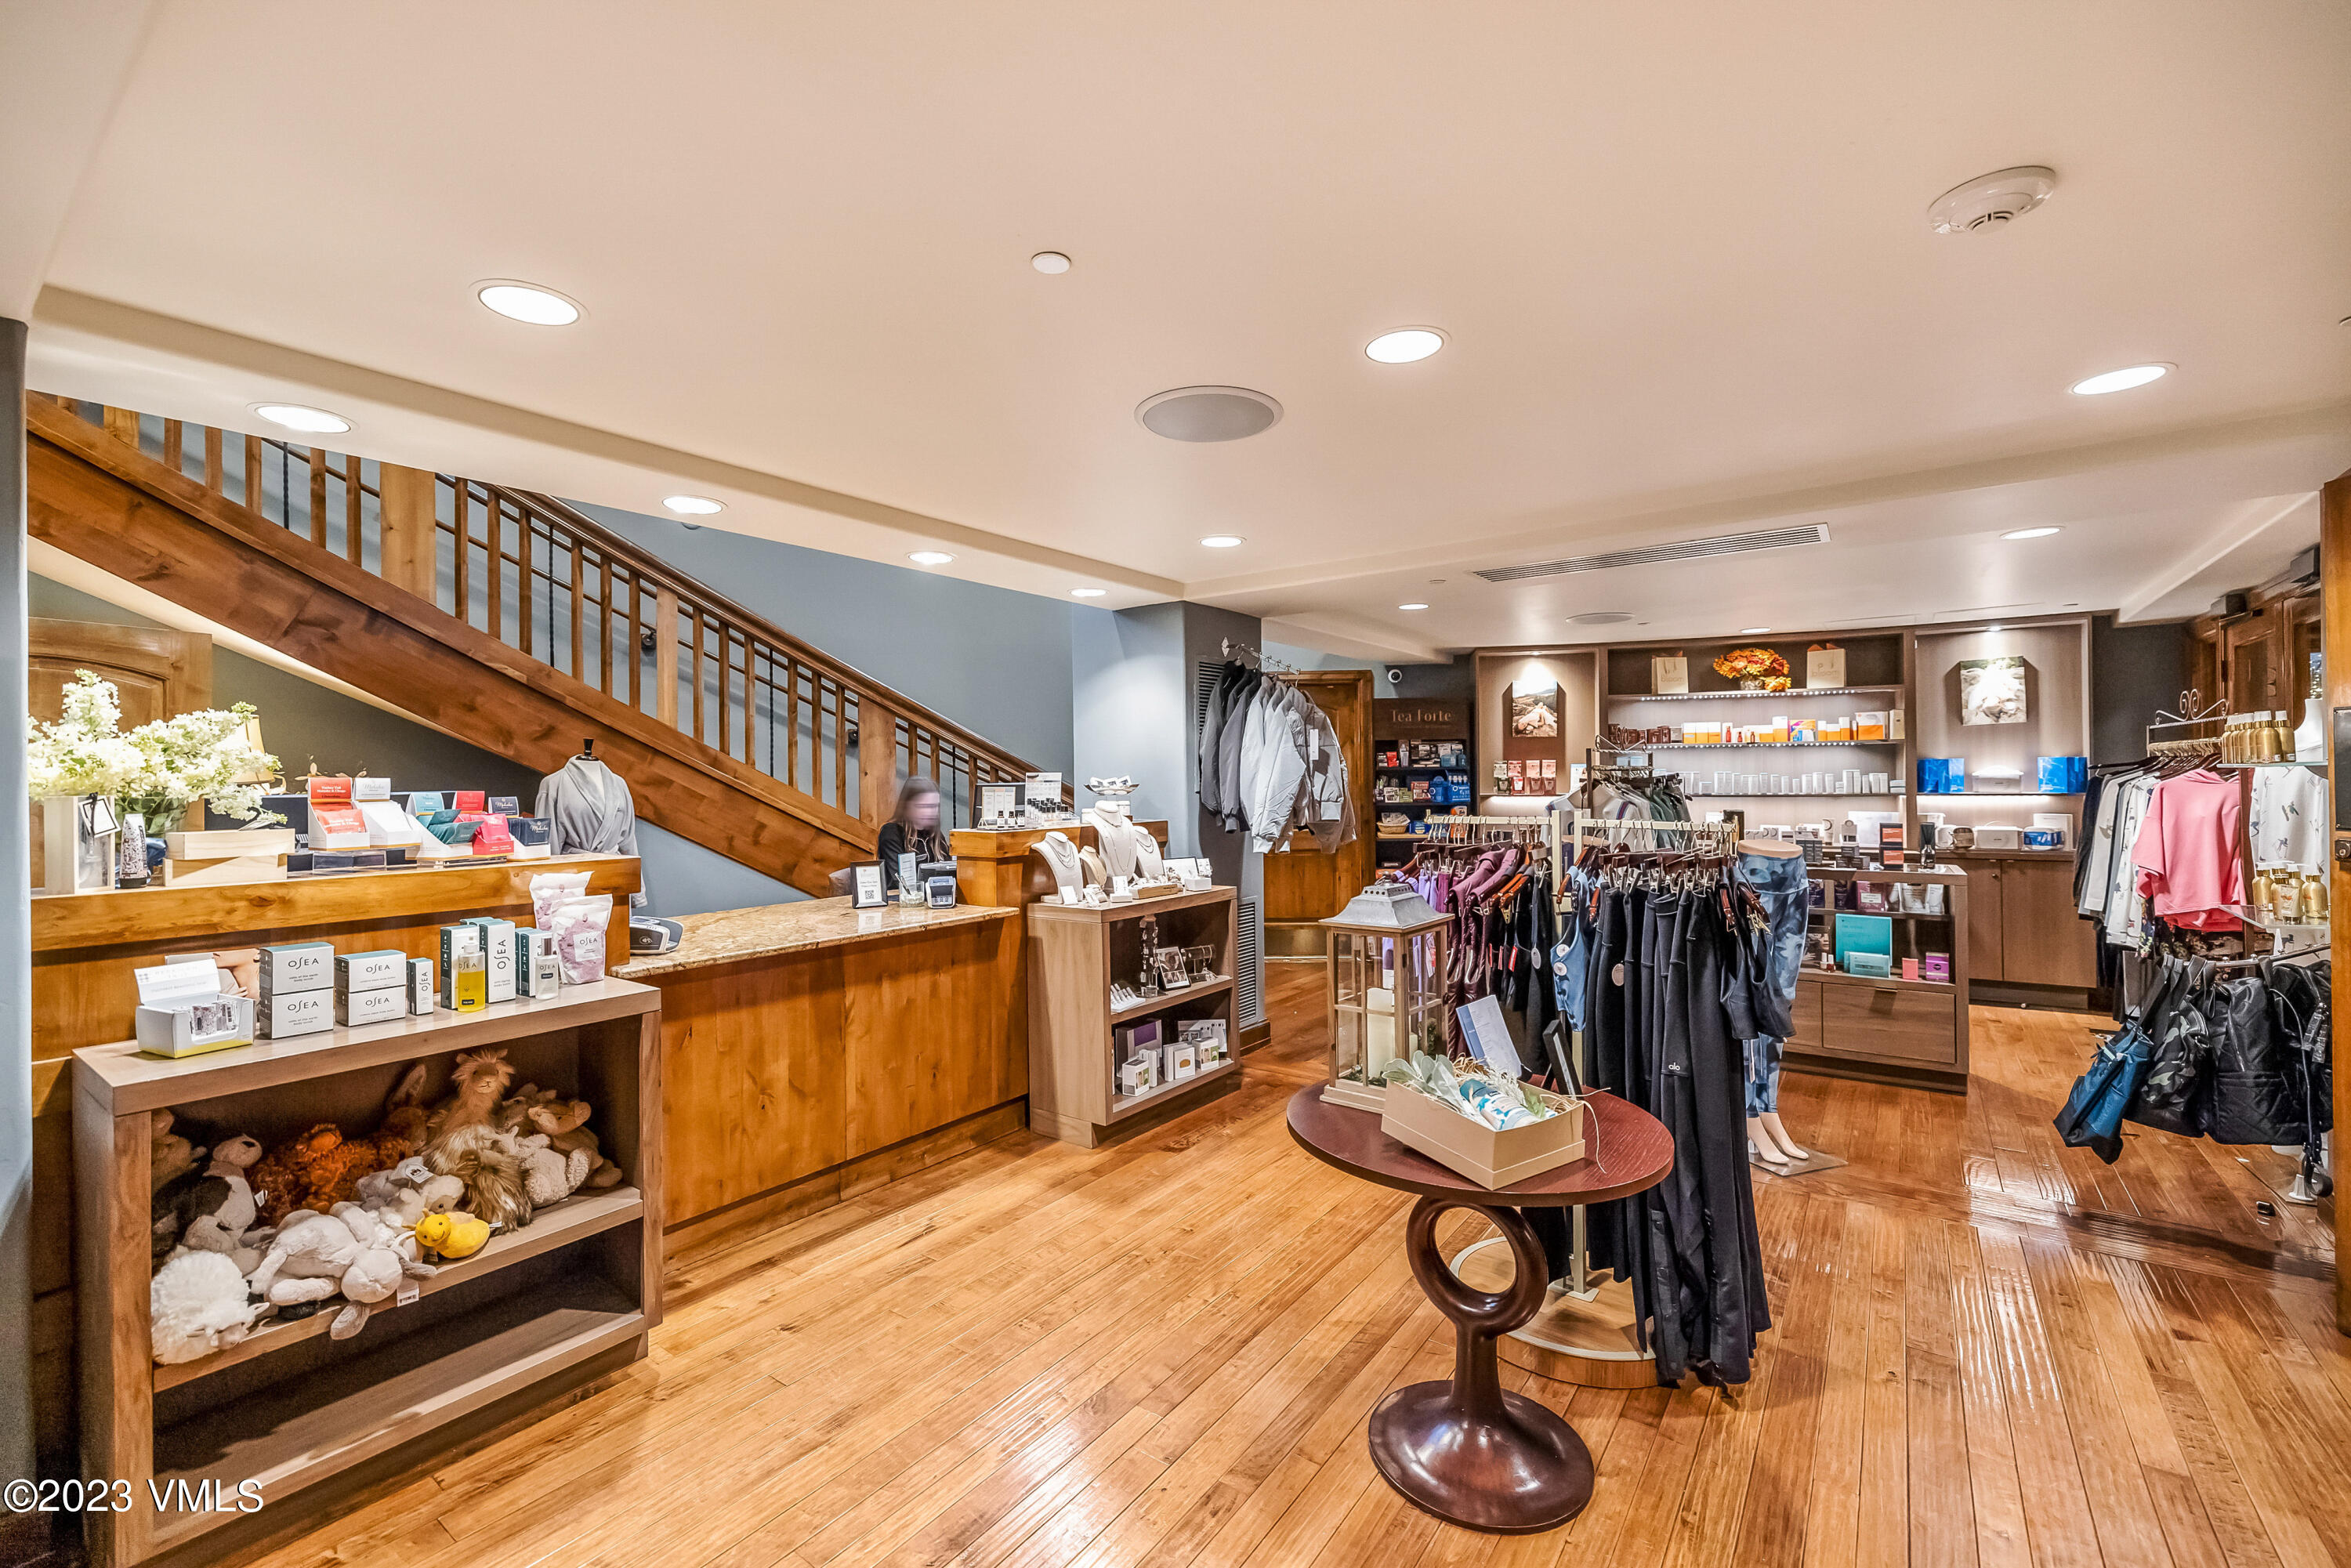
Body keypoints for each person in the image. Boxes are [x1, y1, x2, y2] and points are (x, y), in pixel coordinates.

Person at [875, 774, 949, 892]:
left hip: (934, 900)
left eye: (935, 806)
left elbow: (949, 870)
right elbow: (900, 882)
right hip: (901, 903)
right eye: (924, 807)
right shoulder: (892, 832)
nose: (931, 813)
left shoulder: (935, 834)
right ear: (907, 807)